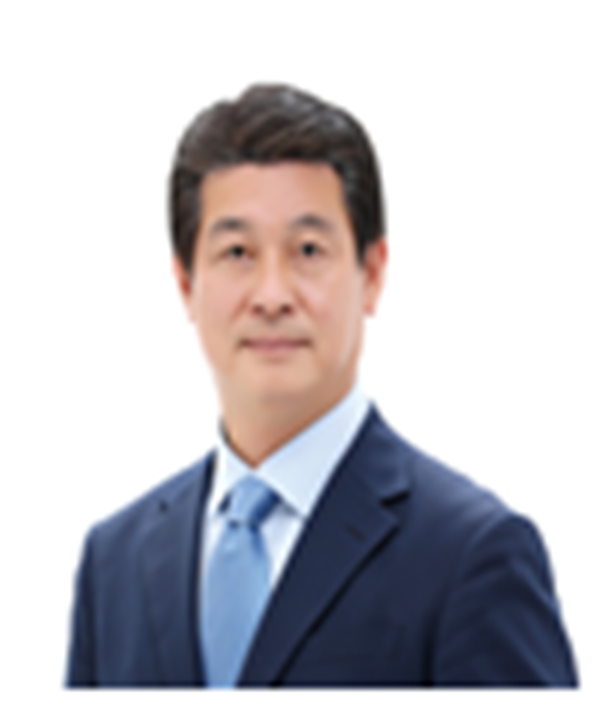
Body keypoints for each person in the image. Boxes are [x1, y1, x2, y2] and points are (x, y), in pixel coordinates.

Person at [66, 83, 578, 688]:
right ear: (185, 284)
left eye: (308, 250)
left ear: (372, 273)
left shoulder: (471, 555)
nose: (272, 296)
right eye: (237, 252)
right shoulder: (114, 563)